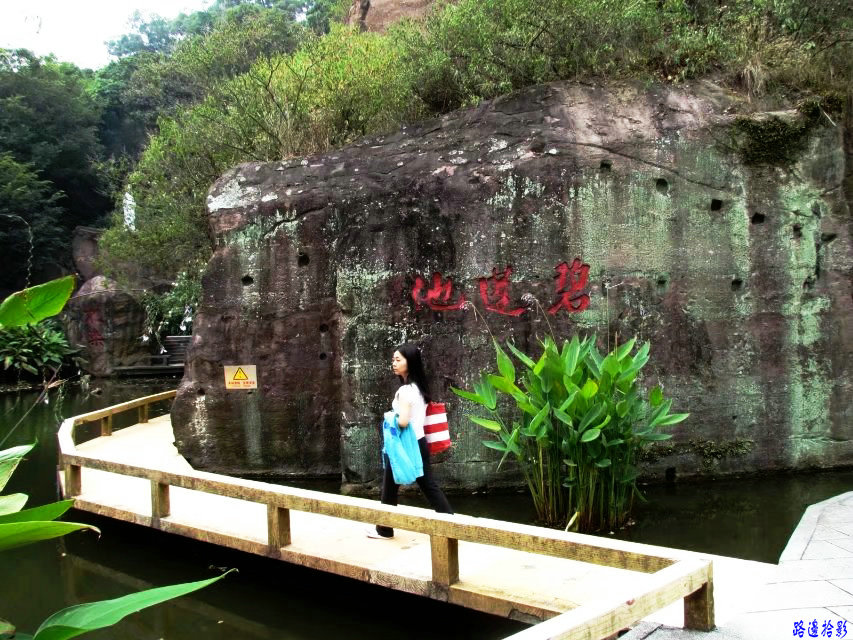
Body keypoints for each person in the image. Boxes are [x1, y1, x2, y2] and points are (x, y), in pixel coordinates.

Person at [369, 343, 453, 539]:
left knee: (390, 487)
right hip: (419, 442)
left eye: (398, 360)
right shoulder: (418, 388)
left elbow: (403, 421)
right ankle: (451, 523)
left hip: (403, 445)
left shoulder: (406, 391)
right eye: (393, 360)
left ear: (410, 363)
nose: (394, 363)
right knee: (428, 486)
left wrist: (390, 418)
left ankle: (384, 530)